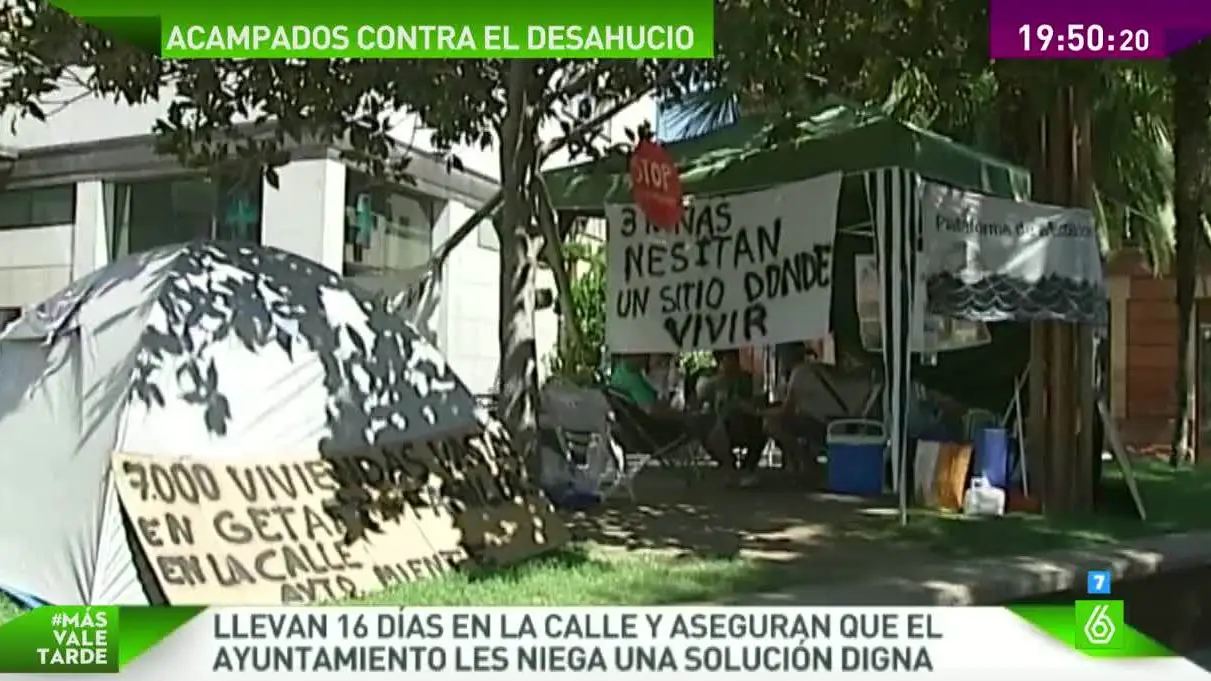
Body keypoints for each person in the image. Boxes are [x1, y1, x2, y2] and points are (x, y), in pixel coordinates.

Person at [697, 349, 769, 487]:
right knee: (708, 429)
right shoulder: (712, 382)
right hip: (721, 426)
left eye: (733, 359)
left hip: (747, 422)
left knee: (762, 428)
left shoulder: (750, 379)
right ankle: (729, 466)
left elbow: (759, 403)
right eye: (726, 360)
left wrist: (744, 404)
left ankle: (747, 468)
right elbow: (700, 399)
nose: (731, 364)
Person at [764, 343, 831, 478]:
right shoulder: (815, 369)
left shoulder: (800, 372)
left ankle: (805, 461)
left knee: (772, 424)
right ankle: (795, 464)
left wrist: (760, 412)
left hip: (820, 423)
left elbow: (787, 410)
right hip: (830, 419)